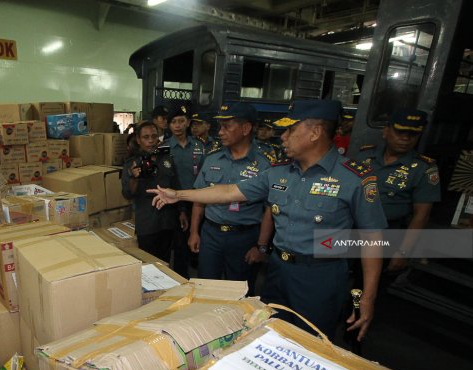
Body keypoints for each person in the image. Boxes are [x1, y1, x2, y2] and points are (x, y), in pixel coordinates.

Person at [149, 100, 387, 342]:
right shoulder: (279, 171)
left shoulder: (354, 178)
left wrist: (368, 297)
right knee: (272, 334)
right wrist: (177, 195)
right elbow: (229, 192)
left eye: (290, 130)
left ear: (315, 132)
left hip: (320, 275)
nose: (282, 137)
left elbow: (373, 239)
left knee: (312, 342)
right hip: (277, 270)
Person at [189, 102, 276, 294]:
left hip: (244, 238)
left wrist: (261, 247)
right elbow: (200, 198)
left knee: (240, 292)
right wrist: (194, 232)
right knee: (204, 288)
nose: (220, 132)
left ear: (246, 128)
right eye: (220, 127)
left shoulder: (265, 164)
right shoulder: (212, 158)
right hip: (211, 235)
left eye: (227, 127)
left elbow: (270, 209)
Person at [358, 108, 440, 273]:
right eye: (400, 132)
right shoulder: (364, 156)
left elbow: (421, 215)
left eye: (413, 134)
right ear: (386, 131)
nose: (405, 138)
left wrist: (403, 251)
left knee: (368, 287)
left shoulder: (423, 168)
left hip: (387, 235)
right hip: (352, 229)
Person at [122, 120, 185, 264]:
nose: (150, 140)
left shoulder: (166, 158)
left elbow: (176, 185)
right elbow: (127, 193)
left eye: (154, 136)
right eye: (146, 137)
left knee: (166, 262)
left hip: (168, 220)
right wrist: (134, 177)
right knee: (148, 264)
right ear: (138, 140)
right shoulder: (132, 163)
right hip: (147, 223)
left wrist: (181, 211)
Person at [165, 105, 204, 277]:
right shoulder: (164, 148)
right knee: (180, 244)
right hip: (175, 203)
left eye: (181, 121)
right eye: (173, 122)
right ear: (169, 126)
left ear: (188, 123)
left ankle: (199, 274)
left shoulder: (200, 146)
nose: (178, 125)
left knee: (199, 239)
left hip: (200, 201)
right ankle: (181, 277)